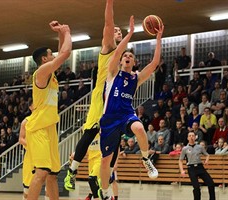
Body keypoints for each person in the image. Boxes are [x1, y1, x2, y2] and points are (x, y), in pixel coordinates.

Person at [99, 16, 163, 199]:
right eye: (125, 56)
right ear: (120, 60)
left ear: (134, 63)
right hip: (109, 119)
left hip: (126, 114)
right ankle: (104, 193)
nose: (127, 57)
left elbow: (154, 64)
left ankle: (145, 159)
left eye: (131, 56)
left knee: (139, 128)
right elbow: (117, 51)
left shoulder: (136, 78)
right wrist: (130, 34)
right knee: (105, 162)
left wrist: (158, 40)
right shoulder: (112, 72)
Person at [64, 0, 123, 191]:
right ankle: (72, 172)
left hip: (114, 101)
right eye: (116, 31)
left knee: (114, 140)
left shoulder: (122, 57)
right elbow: (108, 22)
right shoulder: (108, 46)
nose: (118, 32)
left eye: (120, 32)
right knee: (90, 133)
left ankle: (105, 183)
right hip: (101, 97)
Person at [25, 20, 72, 200]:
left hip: (49, 127)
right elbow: (66, 53)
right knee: (42, 172)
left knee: (53, 174)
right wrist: (67, 31)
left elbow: (61, 52)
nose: (54, 56)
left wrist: (60, 32)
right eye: (51, 54)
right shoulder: (42, 72)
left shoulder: (50, 73)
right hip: (38, 128)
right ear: (44, 59)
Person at [179, 132, 215, 200]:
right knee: (196, 187)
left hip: (200, 167)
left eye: (193, 136)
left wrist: (206, 161)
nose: (191, 137)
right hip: (191, 168)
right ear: (187, 138)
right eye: (190, 136)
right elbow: (180, 160)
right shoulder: (185, 149)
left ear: (195, 137)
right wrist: (182, 170)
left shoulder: (200, 147)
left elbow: (207, 155)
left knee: (211, 183)